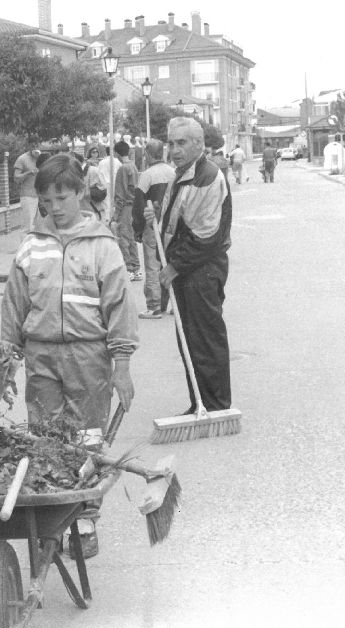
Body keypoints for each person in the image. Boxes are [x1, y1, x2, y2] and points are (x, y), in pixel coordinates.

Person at [0, 154, 138, 558]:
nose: (54, 207)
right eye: (46, 199)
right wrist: (8, 357)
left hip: (88, 355)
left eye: (62, 197)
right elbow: (14, 305)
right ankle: (52, 521)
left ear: (80, 193)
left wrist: (123, 365)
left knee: (86, 437)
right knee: (45, 437)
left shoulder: (103, 246)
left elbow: (118, 307)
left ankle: (85, 519)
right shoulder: (30, 245)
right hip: (40, 355)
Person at [160, 117, 233, 413]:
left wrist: (174, 266)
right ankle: (199, 403)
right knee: (190, 340)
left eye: (181, 143)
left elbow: (206, 235)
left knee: (204, 340)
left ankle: (214, 406)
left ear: (199, 144)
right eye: (171, 143)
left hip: (201, 272)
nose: (174, 150)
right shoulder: (184, 174)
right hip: (189, 272)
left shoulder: (206, 176)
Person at [132, 138, 176, 319]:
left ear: (148, 154)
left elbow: (139, 205)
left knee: (152, 265)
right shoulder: (174, 173)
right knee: (170, 264)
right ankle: (173, 304)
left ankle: (154, 306)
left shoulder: (147, 175)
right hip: (171, 227)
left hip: (152, 225)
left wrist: (138, 228)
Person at [111, 141, 141, 281]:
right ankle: (136, 268)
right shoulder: (133, 166)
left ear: (116, 153)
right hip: (134, 205)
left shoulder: (123, 169)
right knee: (131, 237)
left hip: (125, 207)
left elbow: (120, 193)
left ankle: (128, 268)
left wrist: (116, 214)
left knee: (123, 237)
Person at [13, 146, 41, 229]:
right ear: (31, 147)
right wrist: (28, 173)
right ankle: (26, 242)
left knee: (40, 226)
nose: (37, 154)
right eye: (35, 152)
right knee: (28, 226)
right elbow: (16, 178)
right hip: (28, 196)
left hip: (41, 197)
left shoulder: (41, 158)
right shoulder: (22, 159)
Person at [80, 148, 108, 221]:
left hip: (94, 207)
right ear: (90, 153)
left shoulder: (99, 161)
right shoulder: (88, 163)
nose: (95, 153)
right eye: (93, 152)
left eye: (96, 152)